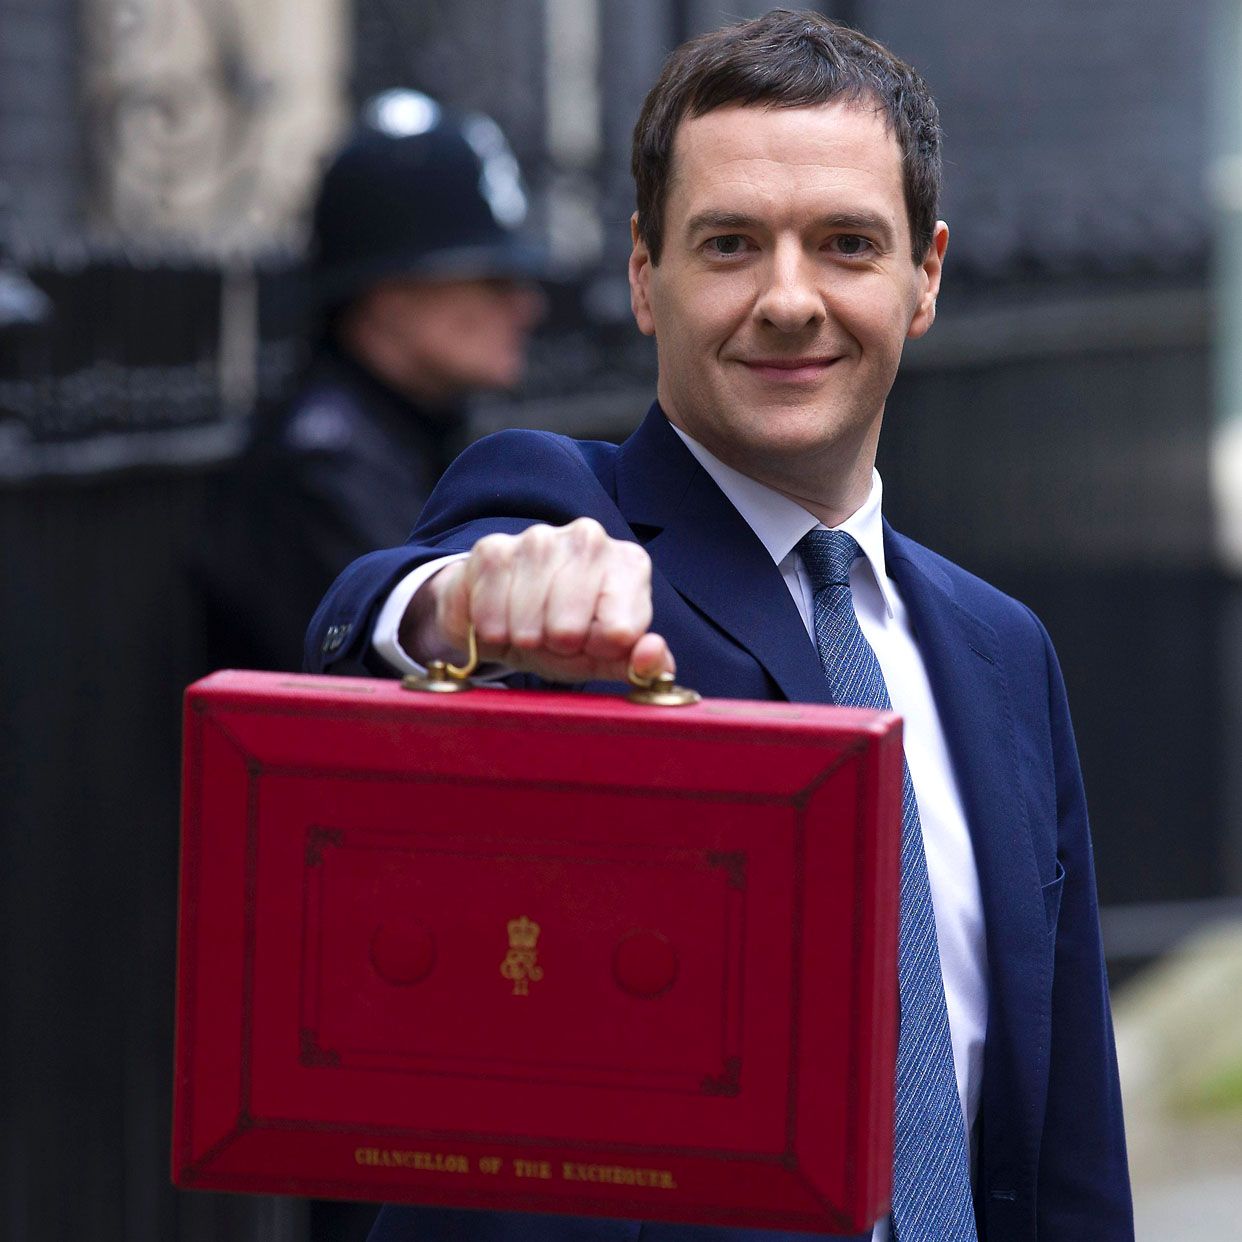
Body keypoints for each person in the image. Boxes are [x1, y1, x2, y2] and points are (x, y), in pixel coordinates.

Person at [306, 11, 1133, 1242]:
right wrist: (461, 607)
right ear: (647, 277)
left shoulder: (1001, 650)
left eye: (847, 244)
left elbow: (1061, 1137)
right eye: (731, 244)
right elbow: (388, 602)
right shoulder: (558, 512)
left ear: (928, 278)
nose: (789, 299)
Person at [199, 89, 546, 672]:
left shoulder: (405, 432)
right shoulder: (324, 471)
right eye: (491, 279)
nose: (526, 306)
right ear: (388, 300)